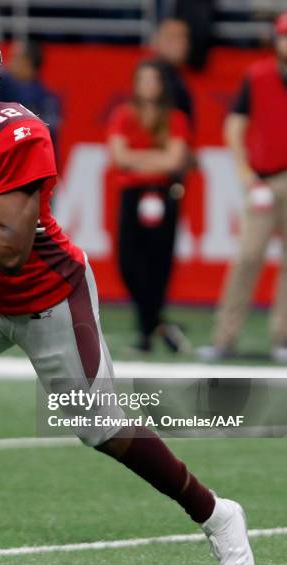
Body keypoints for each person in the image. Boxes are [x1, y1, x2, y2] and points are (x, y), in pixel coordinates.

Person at [0, 19, 254, 565]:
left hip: (48, 297)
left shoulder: (18, 132)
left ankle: (217, 514)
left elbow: (11, 251)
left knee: (101, 428)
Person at [199, 12, 287, 363]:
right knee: (248, 258)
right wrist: (246, 174)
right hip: (263, 178)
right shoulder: (258, 75)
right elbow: (234, 126)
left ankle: (283, 339)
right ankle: (224, 339)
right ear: (275, 39)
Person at [107, 59, 191, 353]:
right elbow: (119, 156)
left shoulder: (175, 118)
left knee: (159, 263)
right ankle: (159, 323)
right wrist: (156, 159)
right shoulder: (123, 115)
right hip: (132, 194)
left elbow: (175, 160)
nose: (148, 85)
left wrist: (139, 159)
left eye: (153, 79)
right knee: (128, 261)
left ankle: (146, 333)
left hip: (164, 194)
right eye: (143, 79)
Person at [0, 39, 61, 153]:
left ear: (27, 62)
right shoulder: (5, 89)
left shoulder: (46, 99)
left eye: (15, 58)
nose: (9, 63)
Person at [152, 18, 194, 125]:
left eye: (184, 37)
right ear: (157, 41)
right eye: (172, 38)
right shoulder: (154, 77)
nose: (182, 43)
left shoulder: (177, 76)